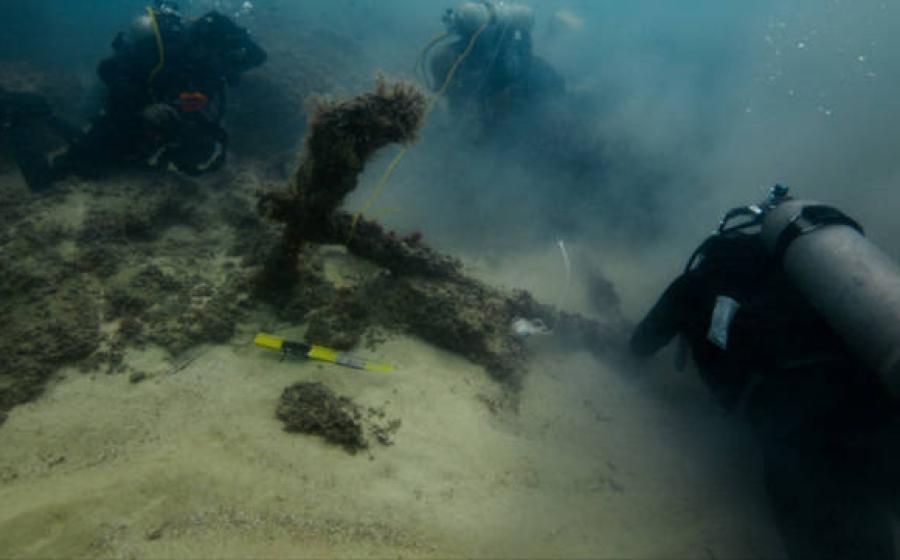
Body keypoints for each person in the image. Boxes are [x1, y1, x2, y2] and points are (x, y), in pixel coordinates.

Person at [630, 185, 900, 560]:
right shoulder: (812, 275)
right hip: (874, 397)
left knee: (842, 544)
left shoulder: (704, 277)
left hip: (794, 417)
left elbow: (642, 343)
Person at [52, 0, 267, 182]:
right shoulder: (161, 47)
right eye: (210, 52)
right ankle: (44, 115)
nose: (213, 60)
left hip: (168, 115)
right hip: (129, 108)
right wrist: (144, 106)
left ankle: (148, 155)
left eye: (219, 55)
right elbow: (108, 69)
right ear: (199, 42)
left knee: (200, 149)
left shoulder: (214, 60)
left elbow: (258, 57)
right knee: (82, 166)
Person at [421, 1, 564, 126]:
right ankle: (555, 29)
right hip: (501, 69)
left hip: (499, 67)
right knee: (550, 82)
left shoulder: (454, 53)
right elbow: (515, 69)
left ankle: (555, 30)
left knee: (553, 82)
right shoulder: (459, 56)